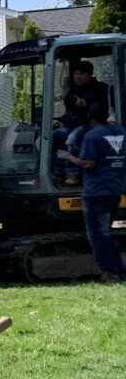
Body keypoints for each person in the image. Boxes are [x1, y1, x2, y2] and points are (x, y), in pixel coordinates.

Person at [62, 99, 126, 283]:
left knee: (98, 233)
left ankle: (111, 272)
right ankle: (116, 268)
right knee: (107, 231)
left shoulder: (92, 136)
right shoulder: (121, 132)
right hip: (115, 189)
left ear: (90, 118)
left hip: (96, 191)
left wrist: (68, 156)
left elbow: (88, 163)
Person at [53, 59, 111, 181]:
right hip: (71, 125)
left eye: (82, 74)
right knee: (51, 137)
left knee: (72, 138)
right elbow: (69, 104)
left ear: (89, 75)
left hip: (91, 125)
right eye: (76, 73)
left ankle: (73, 174)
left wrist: (86, 103)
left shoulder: (100, 88)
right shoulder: (72, 89)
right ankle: (58, 170)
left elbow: (102, 108)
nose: (78, 77)